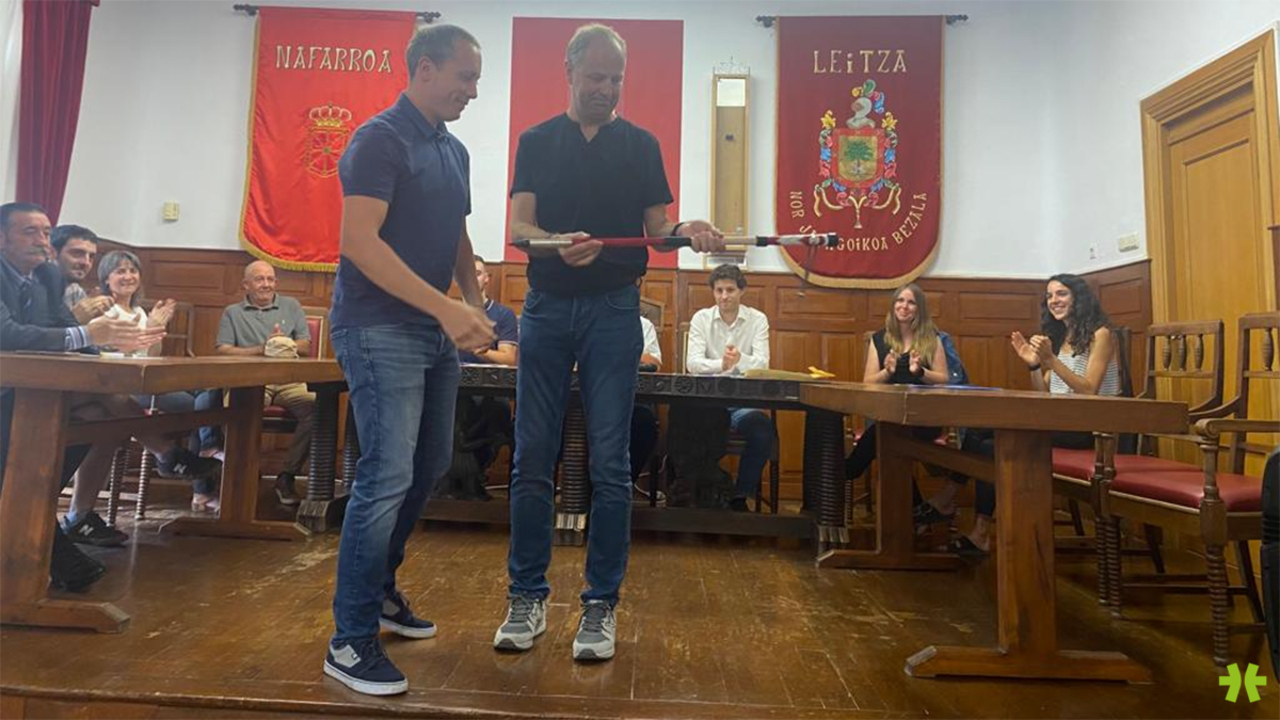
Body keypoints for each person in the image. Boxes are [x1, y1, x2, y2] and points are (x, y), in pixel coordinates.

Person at [494, 23, 724, 663]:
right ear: (569, 70)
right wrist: (554, 244)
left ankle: (600, 605)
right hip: (544, 307)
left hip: (615, 308)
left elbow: (659, 229)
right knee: (531, 456)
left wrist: (690, 229)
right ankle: (526, 596)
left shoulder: (641, 145)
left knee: (611, 462)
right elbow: (519, 226)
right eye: (596, 76)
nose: (606, 88)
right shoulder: (536, 140)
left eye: (616, 78)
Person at [324, 24, 494, 696]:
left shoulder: (453, 149)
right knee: (386, 473)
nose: (472, 91)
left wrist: (474, 299)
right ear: (425, 69)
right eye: (465, 77)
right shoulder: (380, 139)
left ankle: (381, 591)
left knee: (428, 467)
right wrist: (445, 308)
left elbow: (456, 231)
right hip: (377, 326)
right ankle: (349, 637)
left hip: (430, 330)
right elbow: (360, 243)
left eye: (476, 80)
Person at [0, 203, 167, 588]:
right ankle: (36, 517)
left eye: (46, 232)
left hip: (26, 390)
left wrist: (105, 354)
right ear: (3, 238)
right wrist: (89, 334)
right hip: (10, 391)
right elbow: (7, 334)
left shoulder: (45, 275)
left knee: (98, 415)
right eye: (30, 232)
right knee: (99, 407)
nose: (42, 241)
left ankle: (35, 499)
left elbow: (60, 327)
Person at [97, 249, 222, 510]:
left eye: (133, 271)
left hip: (147, 381)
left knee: (209, 393)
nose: (128, 276)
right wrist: (150, 329)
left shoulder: (139, 311)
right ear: (106, 278)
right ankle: (199, 483)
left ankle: (205, 462)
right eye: (120, 271)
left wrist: (155, 328)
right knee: (202, 411)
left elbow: (151, 356)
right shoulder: (104, 310)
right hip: (123, 388)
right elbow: (110, 356)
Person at [214, 260, 315, 506]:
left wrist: (284, 344)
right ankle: (245, 472)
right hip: (249, 381)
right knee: (233, 411)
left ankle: (287, 476)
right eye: (259, 279)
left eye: (270, 279)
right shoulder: (232, 312)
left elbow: (305, 346)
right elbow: (223, 350)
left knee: (317, 409)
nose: (266, 284)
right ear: (246, 285)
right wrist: (263, 349)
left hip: (289, 381)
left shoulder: (291, 306)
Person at [684, 264, 775, 511]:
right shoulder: (701, 318)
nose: (724, 296)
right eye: (719, 290)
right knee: (686, 422)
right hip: (708, 401)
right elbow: (692, 363)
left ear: (741, 291)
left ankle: (740, 496)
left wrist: (739, 360)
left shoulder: (757, 319)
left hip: (742, 402)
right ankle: (697, 494)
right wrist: (721, 364)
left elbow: (763, 364)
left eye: (730, 290)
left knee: (762, 429)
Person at [438, 255, 518, 500]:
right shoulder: (447, 312)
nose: (473, 278)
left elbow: (509, 359)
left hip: (489, 392)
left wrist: (481, 351)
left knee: (494, 414)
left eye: (478, 273)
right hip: (448, 389)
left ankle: (470, 480)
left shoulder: (502, 315)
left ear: (487, 279)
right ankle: (445, 483)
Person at [50, 224, 111, 323]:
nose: (86, 263)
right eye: (77, 253)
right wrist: (73, 318)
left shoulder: (75, 291)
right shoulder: (32, 286)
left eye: (91, 257)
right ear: (52, 253)